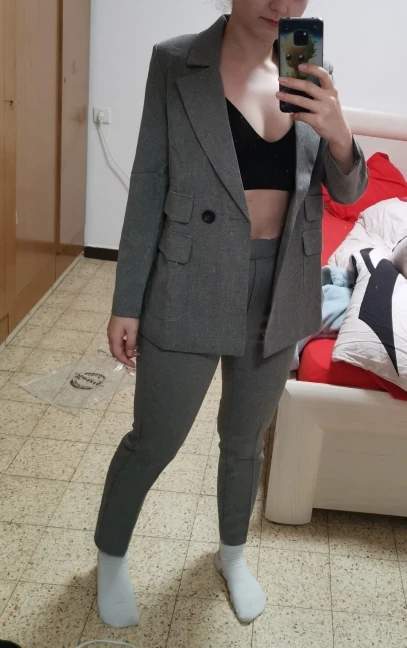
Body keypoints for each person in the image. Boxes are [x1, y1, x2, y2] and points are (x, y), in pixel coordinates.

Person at [94, 0, 367, 628]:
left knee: (244, 441)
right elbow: (148, 184)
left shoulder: (311, 71)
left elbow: (348, 192)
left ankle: (233, 554)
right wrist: (126, 301)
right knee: (154, 439)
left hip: (282, 284)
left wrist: (339, 133)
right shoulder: (176, 63)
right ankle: (111, 556)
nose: (283, 5)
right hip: (188, 281)